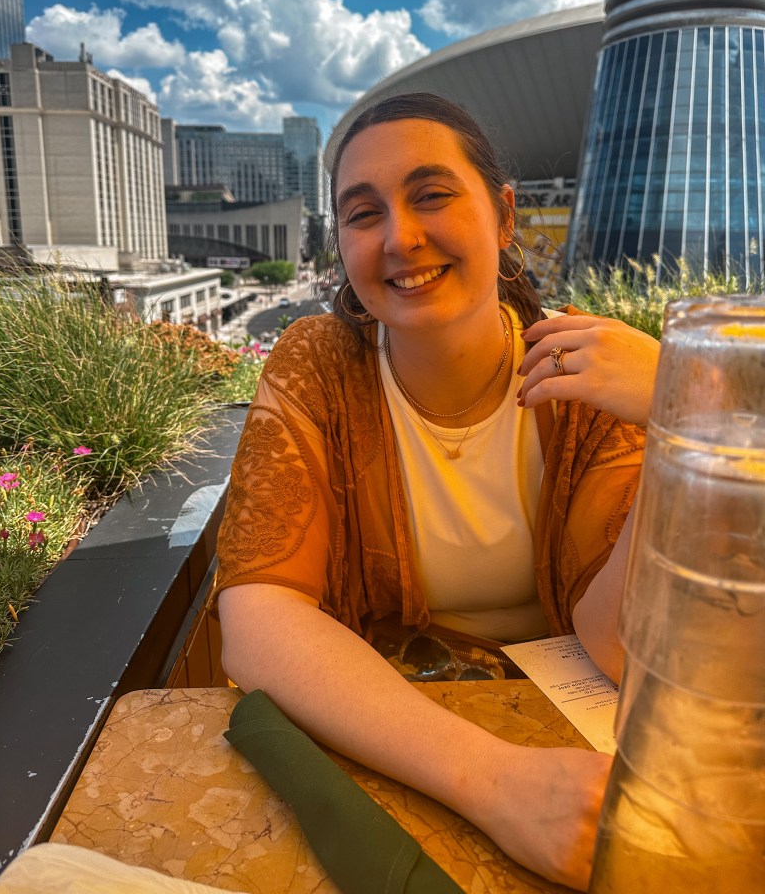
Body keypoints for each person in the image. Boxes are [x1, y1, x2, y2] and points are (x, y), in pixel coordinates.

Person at [217, 92, 660, 891]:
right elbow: (257, 619)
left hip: (585, 753)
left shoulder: (586, 371)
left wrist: (677, 423)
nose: (400, 238)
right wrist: (494, 782)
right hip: (402, 744)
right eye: (363, 214)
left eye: (431, 195)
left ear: (504, 214)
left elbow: (617, 644)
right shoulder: (319, 366)